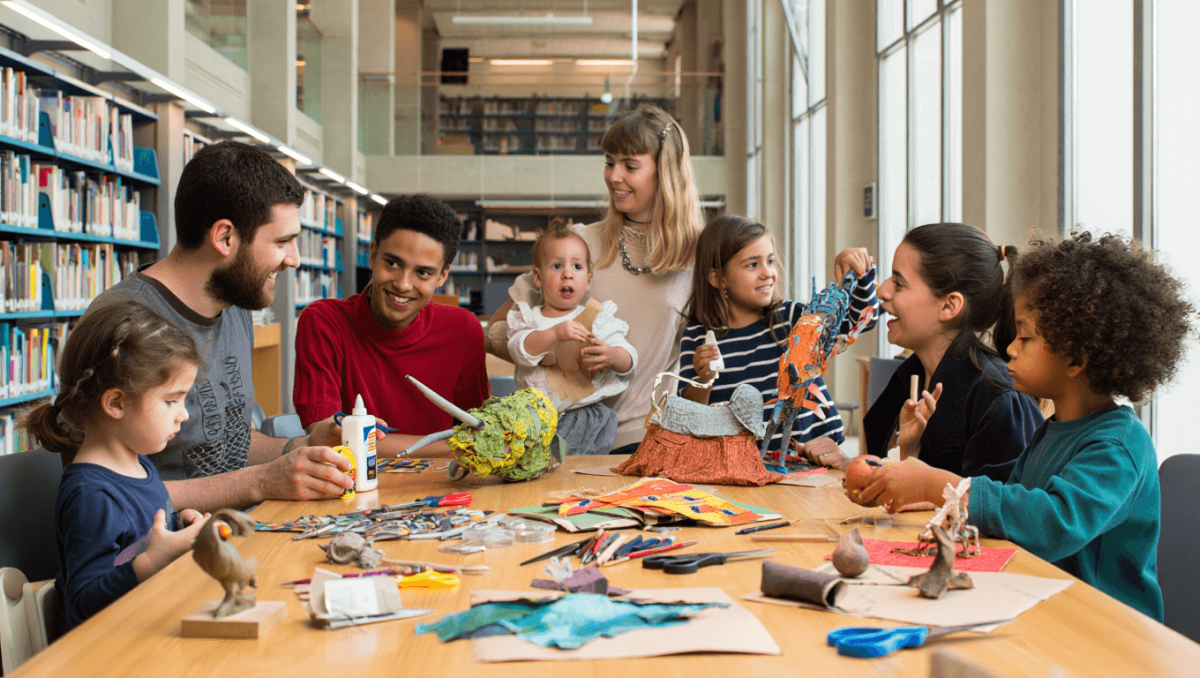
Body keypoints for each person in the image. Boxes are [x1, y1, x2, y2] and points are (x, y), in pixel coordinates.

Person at [851, 231, 1194, 621]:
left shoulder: (1118, 446)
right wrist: (931, 489)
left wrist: (941, 486)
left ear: (1075, 358)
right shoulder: (1051, 432)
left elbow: (1053, 524)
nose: (1011, 348)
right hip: (1048, 609)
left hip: (1104, 627)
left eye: (1026, 338)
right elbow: (1007, 515)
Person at [87, 141, 354, 512]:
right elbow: (96, 491)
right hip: (162, 545)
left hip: (237, 530)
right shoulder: (122, 322)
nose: (293, 260)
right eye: (282, 241)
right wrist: (260, 482)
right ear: (225, 237)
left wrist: (303, 447)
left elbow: (228, 442)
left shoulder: (233, 305)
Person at [488, 105, 704, 454]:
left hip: (647, 441)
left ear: (665, 172)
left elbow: (709, 365)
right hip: (560, 439)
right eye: (609, 162)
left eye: (629, 166)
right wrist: (548, 348)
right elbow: (495, 330)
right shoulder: (576, 245)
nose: (613, 176)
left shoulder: (697, 259)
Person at [24, 302, 209, 629]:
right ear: (116, 403)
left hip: (151, 625)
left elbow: (137, 536)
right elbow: (83, 601)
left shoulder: (140, 465)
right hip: (111, 646)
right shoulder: (90, 495)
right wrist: (152, 561)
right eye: (171, 400)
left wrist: (180, 524)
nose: (184, 414)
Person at [839, 223, 1044, 481]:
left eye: (899, 283)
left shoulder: (999, 400)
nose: (883, 291)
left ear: (949, 306)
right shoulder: (906, 377)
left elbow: (996, 504)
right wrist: (847, 465)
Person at [293, 194, 490, 455]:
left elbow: (481, 431)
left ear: (442, 276)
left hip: (441, 478)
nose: (403, 284)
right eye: (393, 263)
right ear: (373, 254)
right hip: (355, 479)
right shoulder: (323, 321)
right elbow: (326, 438)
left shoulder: (463, 330)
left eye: (423, 273)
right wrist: (455, 448)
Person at [678, 215, 877, 464]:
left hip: (814, 461)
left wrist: (860, 275)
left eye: (770, 261)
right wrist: (704, 379)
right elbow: (689, 417)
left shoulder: (790, 318)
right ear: (717, 278)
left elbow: (858, 323)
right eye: (752, 265)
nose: (768, 273)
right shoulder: (697, 336)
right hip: (740, 468)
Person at [506, 221, 636, 455]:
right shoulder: (529, 319)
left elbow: (629, 359)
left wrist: (612, 355)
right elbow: (519, 350)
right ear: (538, 277)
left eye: (577, 266)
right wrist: (554, 334)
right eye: (557, 266)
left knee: (578, 469)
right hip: (534, 418)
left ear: (588, 279)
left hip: (586, 415)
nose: (567, 274)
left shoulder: (598, 319)